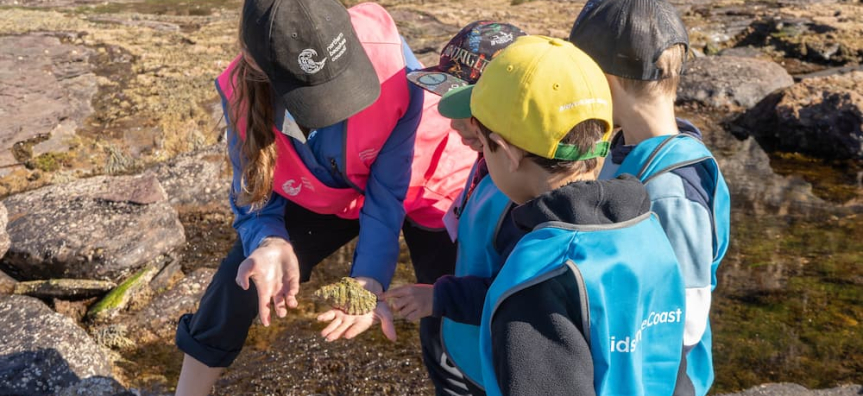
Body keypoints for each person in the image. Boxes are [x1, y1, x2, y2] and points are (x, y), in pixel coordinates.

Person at [173, 1, 476, 395]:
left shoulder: (391, 68)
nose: (333, 110)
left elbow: (387, 196)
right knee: (243, 277)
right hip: (326, 188)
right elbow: (254, 198)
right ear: (257, 67)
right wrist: (269, 241)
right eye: (314, 97)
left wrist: (368, 278)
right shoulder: (244, 98)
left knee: (449, 311)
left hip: (426, 180)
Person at [438, 35, 688, 395]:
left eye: (482, 142)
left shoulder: (538, 277)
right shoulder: (647, 227)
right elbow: (671, 373)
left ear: (506, 152)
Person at [569, 1, 731, 394]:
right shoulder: (623, 147)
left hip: (658, 377)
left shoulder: (671, 193)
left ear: (606, 80)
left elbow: (686, 319)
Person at [384, 21, 527, 395]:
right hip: (466, 347)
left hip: (499, 366)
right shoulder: (485, 163)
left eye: (461, 103)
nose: (449, 120)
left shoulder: (524, 190)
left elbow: (523, 294)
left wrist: (437, 298)